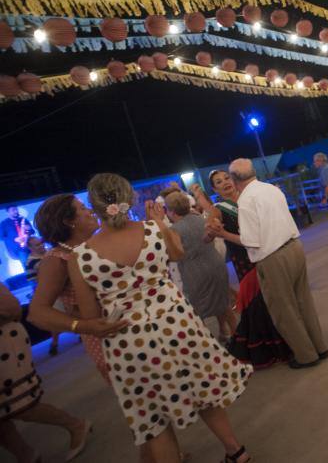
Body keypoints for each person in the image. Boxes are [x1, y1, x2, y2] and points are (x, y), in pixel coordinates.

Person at [67, 173, 252, 462]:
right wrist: (158, 223)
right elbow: (177, 254)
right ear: (130, 198)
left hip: (128, 339)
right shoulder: (151, 231)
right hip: (175, 322)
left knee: (152, 416)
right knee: (202, 387)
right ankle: (236, 452)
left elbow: (91, 316)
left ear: (95, 205)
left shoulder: (81, 257)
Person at [229, 158, 327, 369]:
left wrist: (225, 234)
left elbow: (251, 240)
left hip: (273, 257)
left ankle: (306, 355)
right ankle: (320, 347)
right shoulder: (270, 189)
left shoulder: (246, 200)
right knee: (304, 301)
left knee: (284, 310)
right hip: (294, 246)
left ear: (234, 179)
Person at [198, 171, 292, 369]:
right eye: (218, 182)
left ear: (234, 180)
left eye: (226, 178)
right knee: (258, 303)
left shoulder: (251, 197)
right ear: (214, 190)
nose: (224, 183)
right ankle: (269, 349)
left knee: (277, 298)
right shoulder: (219, 209)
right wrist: (212, 229)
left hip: (268, 254)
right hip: (245, 261)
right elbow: (209, 231)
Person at [28, 194, 121, 375]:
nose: (91, 211)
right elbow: (37, 313)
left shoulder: (93, 247)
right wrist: (84, 326)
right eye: (83, 208)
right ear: (68, 221)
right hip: (106, 340)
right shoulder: (56, 259)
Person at [0, 281, 92, 463]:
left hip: (5, 345)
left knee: (21, 404)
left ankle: (76, 425)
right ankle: (25, 454)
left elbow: (13, 308)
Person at [164, 192, 236, 339]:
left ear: (171, 211)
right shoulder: (200, 218)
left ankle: (208, 344)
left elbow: (175, 254)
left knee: (197, 311)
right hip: (216, 264)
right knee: (223, 303)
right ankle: (235, 335)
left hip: (195, 271)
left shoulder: (174, 230)